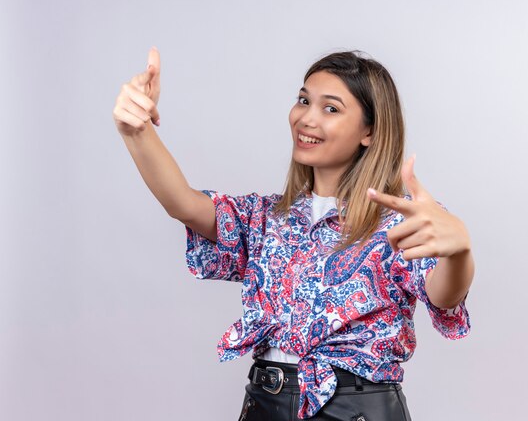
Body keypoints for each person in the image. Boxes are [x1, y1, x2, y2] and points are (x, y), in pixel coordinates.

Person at [113, 46, 474, 421]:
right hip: (265, 401)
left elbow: (442, 295)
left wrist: (459, 253)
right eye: (304, 100)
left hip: (356, 409)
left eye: (330, 108)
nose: (307, 119)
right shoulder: (266, 217)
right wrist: (136, 131)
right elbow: (183, 204)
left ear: (370, 131)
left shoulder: (396, 220)